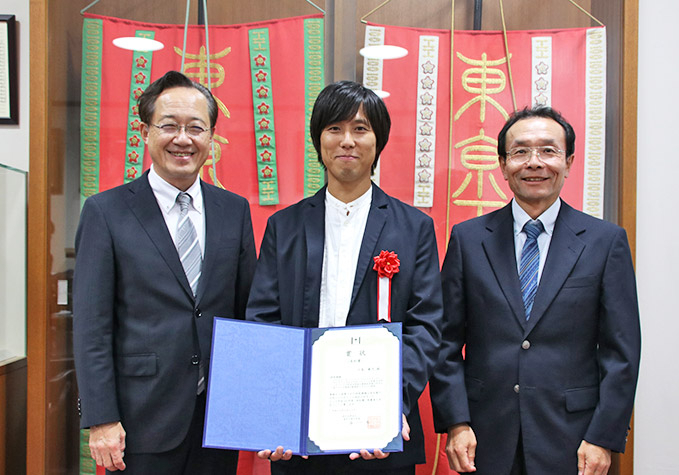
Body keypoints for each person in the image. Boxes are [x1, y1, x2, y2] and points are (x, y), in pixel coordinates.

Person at [245, 80, 443, 474]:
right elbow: (263, 320)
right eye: (334, 129)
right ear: (319, 140)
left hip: (380, 435)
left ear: (378, 141)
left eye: (360, 128)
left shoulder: (414, 228)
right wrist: (277, 411)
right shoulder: (284, 227)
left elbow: (426, 326)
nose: (347, 141)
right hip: (299, 435)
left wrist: (389, 406)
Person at [429, 107, 641, 475]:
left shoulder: (605, 242)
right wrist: (456, 422)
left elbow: (621, 353)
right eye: (521, 152)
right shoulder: (469, 239)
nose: (534, 163)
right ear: (503, 164)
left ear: (569, 161)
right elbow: (445, 342)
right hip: (484, 435)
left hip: (575, 440)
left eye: (548, 151)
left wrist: (603, 436)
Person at [73, 70, 256, 474]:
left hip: (217, 417)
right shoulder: (106, 212)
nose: (183, 139)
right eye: (169, 126)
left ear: (211, 138)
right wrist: (101, 418)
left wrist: (257, 405)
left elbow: (248, 313)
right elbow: (91, 326)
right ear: (145, 132)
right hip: (140, 418)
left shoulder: (234, 211)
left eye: (196, 128)